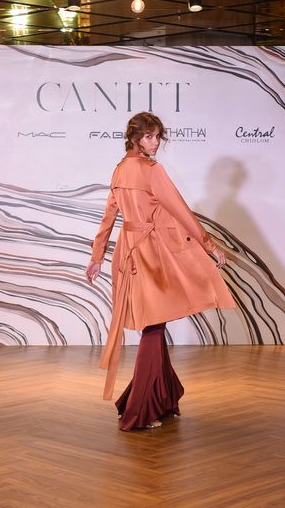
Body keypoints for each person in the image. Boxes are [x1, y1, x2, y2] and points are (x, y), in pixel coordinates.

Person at [86, 112, 236, 431]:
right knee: (153, 326)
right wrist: (210, 246)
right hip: (151, 254)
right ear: (135, 138)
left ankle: (161, 397)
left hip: (129, 253)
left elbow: (108, 218)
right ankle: (140, 410)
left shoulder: (119, 169)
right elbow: (180, 211)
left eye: (157, 137)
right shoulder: (151, 170)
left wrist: (97, 256)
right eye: (149, 137)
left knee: (153, 324)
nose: (155, 143)